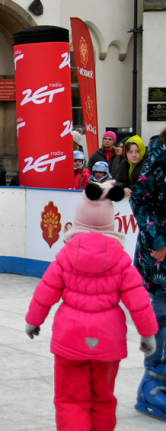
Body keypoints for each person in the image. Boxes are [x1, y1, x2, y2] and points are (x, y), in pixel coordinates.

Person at [25, 181, 158, 430]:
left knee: (70, 398)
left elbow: (46, 292)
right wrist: (148, 333)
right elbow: (137, 299)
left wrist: (33, 321)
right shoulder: (120, 258)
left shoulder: (64, 255)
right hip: (108, 340)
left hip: (70, 338)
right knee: (103, 399)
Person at [130, 129, 166, 421]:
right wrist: (158, 242)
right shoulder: (159, 154)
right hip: (160, 257)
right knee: (162, 316)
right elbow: (140, 201)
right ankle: (152, 385)